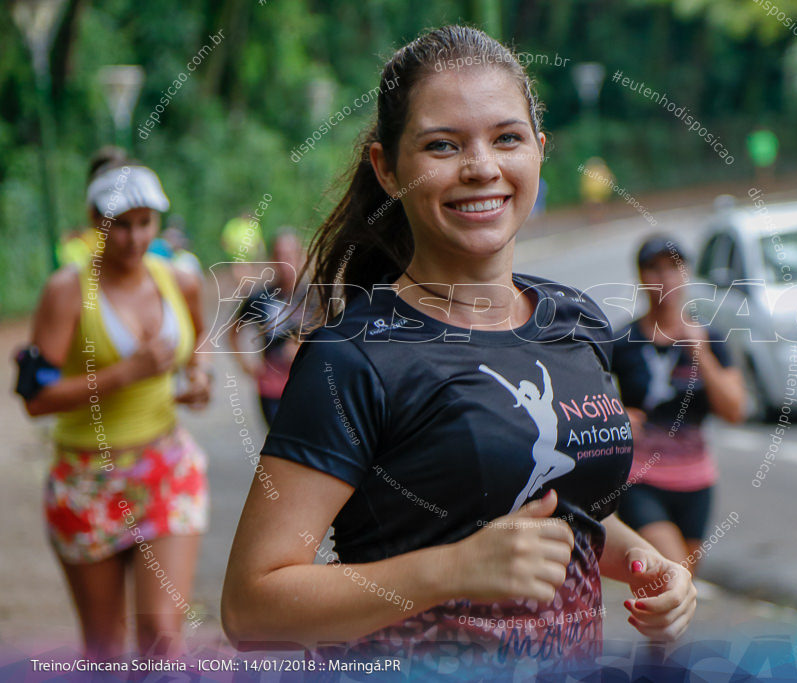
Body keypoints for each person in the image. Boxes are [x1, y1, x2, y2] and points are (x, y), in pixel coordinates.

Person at [222, 26, 696, 678]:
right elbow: (252, 605)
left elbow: (563, 515)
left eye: (507, 137)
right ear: (387, 169)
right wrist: (452, 569)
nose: (481, 166)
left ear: (539, 151)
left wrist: (652, 565)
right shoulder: (352, 357)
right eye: (443, 145)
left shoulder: (577, 321)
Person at [14, 150, 211, 659]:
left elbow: (199, 344)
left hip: (166, 470)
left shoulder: (180, 279)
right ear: (94, 222)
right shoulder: (66, 292)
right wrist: (127, 373)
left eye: (146, 223)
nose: (135, 238)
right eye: (120, 226)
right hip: (87, 480)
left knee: (162, 637)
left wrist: (198, 379)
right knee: (104, 649)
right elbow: (35, 399)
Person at [610, 236, 747, 574]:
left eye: (673, 267)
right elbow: (587, 401)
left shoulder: (711, 339)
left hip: (695, 481)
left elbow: (734, 411)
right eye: (654, 268)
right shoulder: (623, 341)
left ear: (686, 273)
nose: (664, 277)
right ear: (641, 276)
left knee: (678, 588)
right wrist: (615, 417)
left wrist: (699, 353)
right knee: (672, 572)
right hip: (640, 479)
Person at [226, 229, 305, 425]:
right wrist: (245, 364)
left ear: (301, 257)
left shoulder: (316, 297)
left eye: (289, 255)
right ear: (272, 259)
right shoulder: (260, 298)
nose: (285, 262)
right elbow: (233, 330)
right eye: (279, 255)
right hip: (272, 388)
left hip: (307, 386)